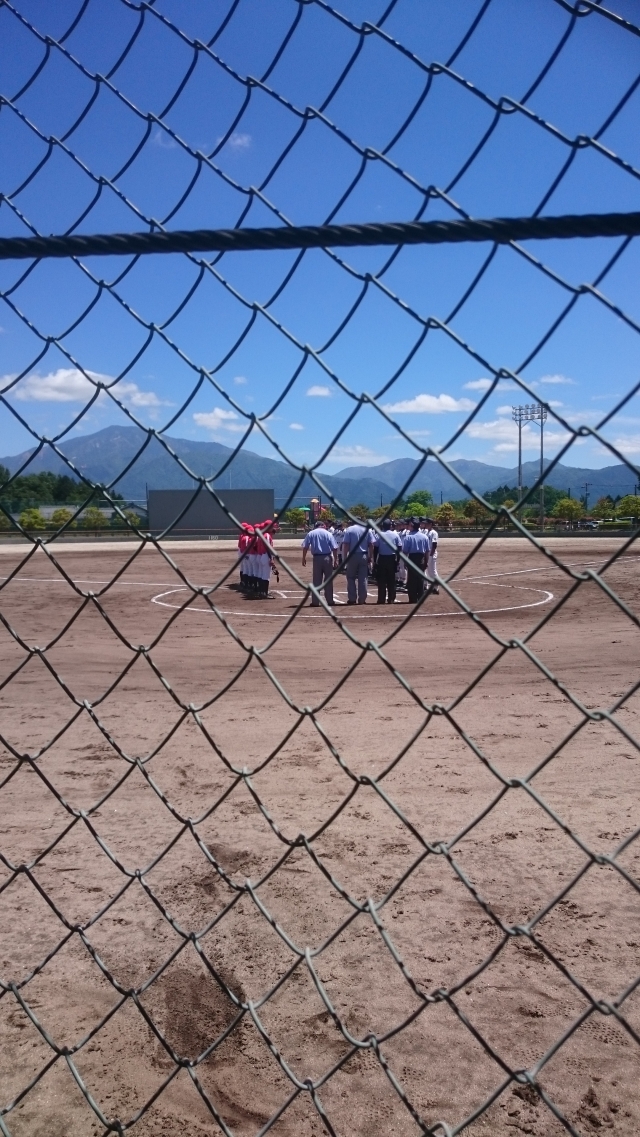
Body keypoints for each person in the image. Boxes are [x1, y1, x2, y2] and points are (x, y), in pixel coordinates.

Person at [301, 520, 338, 606]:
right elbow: (334, 548)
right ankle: (330, 601)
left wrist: (304, 558)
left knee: (316, 580)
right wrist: (336, 560)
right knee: (328, 580)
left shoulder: (311, 533)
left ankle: (315, 601)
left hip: (317, 558)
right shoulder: (328, 533)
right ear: (323, 525)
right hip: (327, 557)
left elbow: (305, 546)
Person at [341, 519, 374, 605]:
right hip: (364, 555)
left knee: (351, 577)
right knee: (363, 578)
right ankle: (362, 599)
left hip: (352, 555)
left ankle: (352, 598)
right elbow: (371, 544)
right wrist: (370, 556)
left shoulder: (349, 529)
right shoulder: (367, 530)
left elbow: (346, 545)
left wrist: (345, 558)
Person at [374, 519, 402, 604]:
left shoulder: (378, 534)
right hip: (392, 558)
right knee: (391, 580)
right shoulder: (395, 535)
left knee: (381, 580)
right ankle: (391, 598)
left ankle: (381, 599)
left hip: (382, 558)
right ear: (390, 526)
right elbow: (399, 548)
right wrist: (397, 560)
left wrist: (375, 561)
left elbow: (376, 549)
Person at [403, 517, 428, 604]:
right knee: (420, 579)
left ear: (412, 526)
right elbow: (427, 551)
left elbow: (405, 551)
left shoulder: (408, 537)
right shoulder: (424, 537)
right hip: (421, 558)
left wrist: (405, 561)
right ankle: (420, 597)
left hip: (412, 558)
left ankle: (412, 598)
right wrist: (426, 561)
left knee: (411, 579)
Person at [426, 516, 439, 594]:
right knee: (429, 571)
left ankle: (436, 587)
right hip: (428, 553)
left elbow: (434, 545)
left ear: (431, 524)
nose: (426, 525)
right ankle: (433, 587)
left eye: (427, 524)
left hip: (432, 554)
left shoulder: (434, 533)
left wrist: (430, 555)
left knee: (433, 571)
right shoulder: (428, 532)